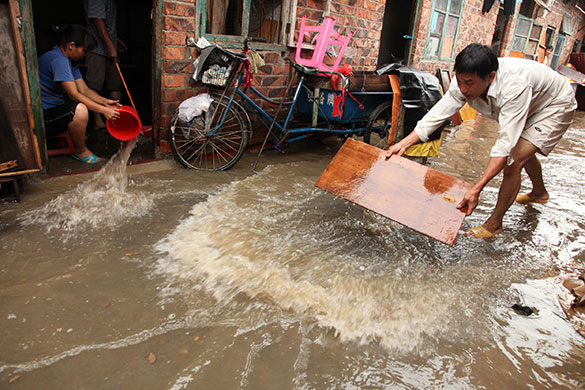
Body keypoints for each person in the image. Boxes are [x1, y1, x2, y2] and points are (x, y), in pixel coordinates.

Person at [386, 43, 577, 238]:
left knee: (514, 160)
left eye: (469, 83)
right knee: (521, 150)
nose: (463, 88)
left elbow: (504, 145)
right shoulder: (462, 82)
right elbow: (437, 115)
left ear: (490, 77)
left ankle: (494, 224)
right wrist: (402, 144)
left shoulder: (514, 87)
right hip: (531, 98)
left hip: (553, 104)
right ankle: (539, 193)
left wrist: (476, 188)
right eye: (459, 81)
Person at [38, 24, 121, 164]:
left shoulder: (69, 61)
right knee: (80, 110)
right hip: (44, 117)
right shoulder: (59, 60)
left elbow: (85, 90)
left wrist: (104, 101)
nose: (85, 54)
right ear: (71, 45)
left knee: (79, 106)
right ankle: (80, 151)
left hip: (55, 109)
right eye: (84, 50)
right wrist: (103, 110)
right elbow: (74, 95)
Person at [84, 0, 126, 130]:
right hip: (97, 49)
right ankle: (98, 122)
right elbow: (98, 21)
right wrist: (110, 46)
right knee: (95, 85)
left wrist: (116, 42)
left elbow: (109, 27)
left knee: (115, 84)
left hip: (109, 47)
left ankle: (120, 117)